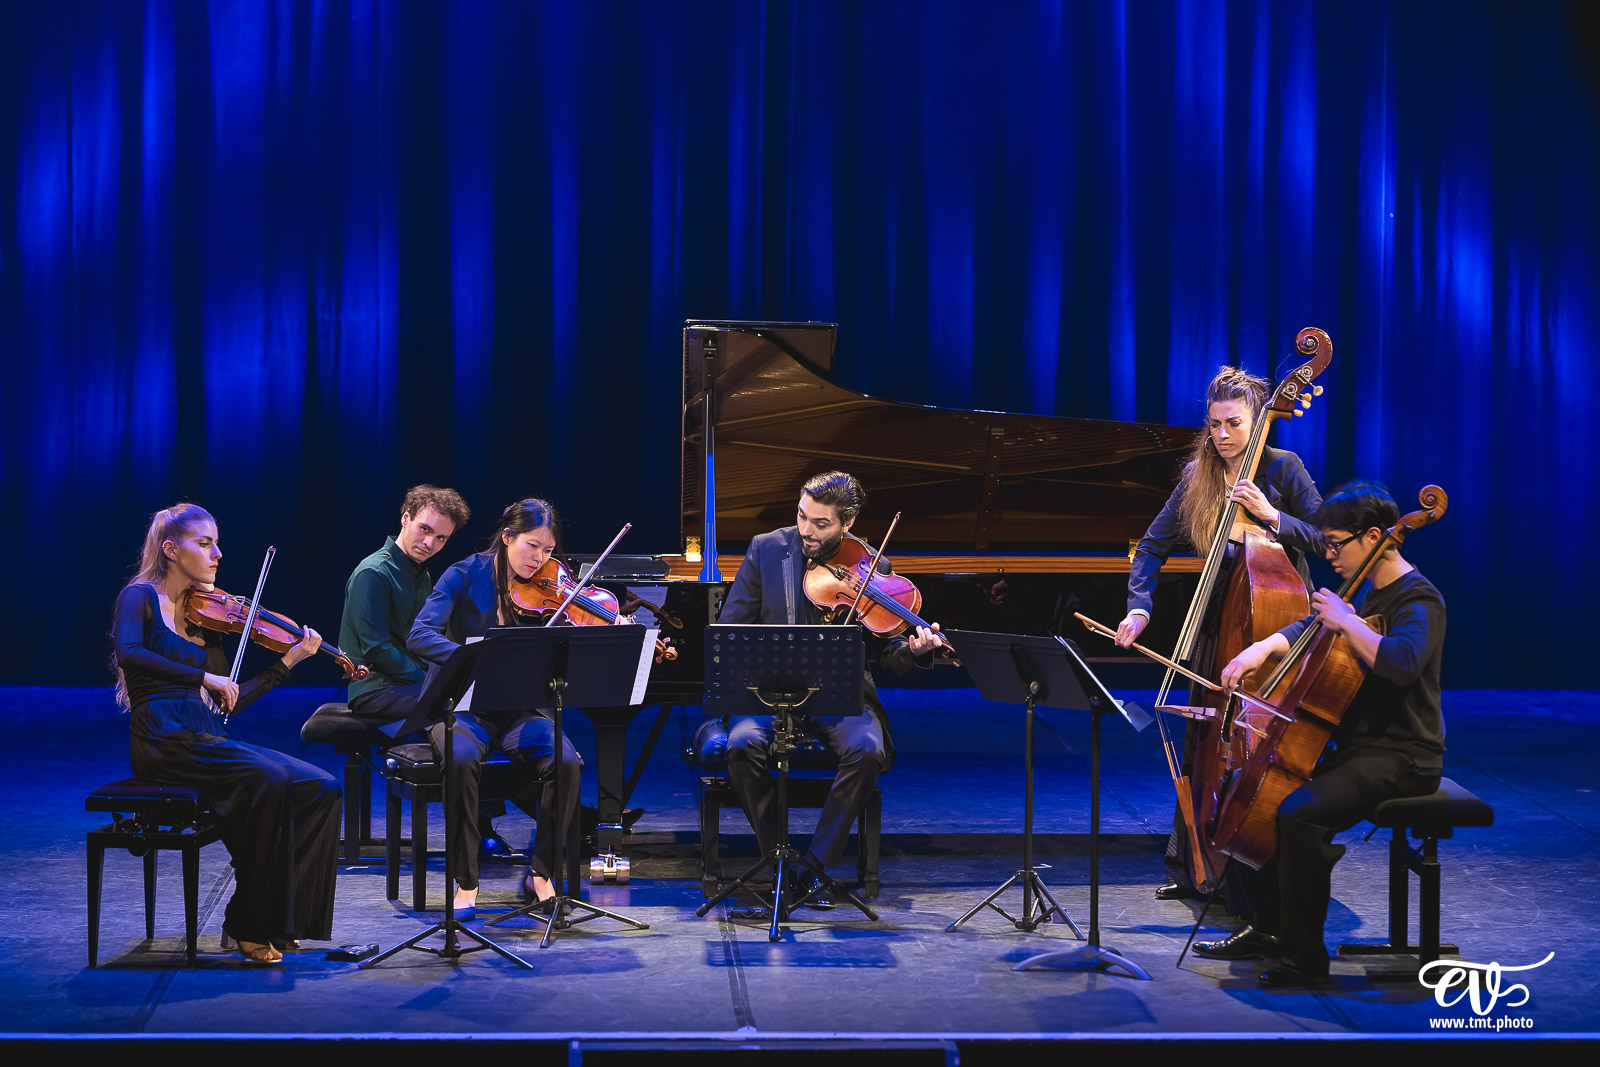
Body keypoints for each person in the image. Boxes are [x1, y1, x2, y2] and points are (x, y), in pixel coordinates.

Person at [1205, 481, 1446, 985]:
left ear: (1376, 536)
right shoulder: (1362, 590)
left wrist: (1347, 623)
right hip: (1357, 747)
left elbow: (1400, 663)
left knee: (1299, 815)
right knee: (1253, 793)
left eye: (1336, 543)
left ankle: (1304, 959)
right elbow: (1308, 627)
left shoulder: (1420, 599)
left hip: (1402, 754)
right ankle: (1268, 927)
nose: (1329, 554)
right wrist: (1263, 647)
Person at [1114, 366, 1324, 901]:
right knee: (1203, 741)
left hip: (1275, 628)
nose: (1223, 435)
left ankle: (1255, 875)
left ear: (1259, 422)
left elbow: (1326, 541)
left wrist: (1272, 515)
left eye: (1234, 423)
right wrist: (1139, 609)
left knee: (1256, 748)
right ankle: (1192, 866)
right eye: (1214, 424)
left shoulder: (1284, 468)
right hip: (1215, 622)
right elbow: (1152, 546)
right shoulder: (1198, 477)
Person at [111, 503, 341, 963]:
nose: (217, 553)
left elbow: (228, 698)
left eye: (216, 543)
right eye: (204, 543)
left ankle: (281, 917)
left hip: (205, 738)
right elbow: (128, 651)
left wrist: (287, 662)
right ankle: (246, 923)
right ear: (172, 550)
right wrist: (201, 678)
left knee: (321, 786)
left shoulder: (208, 620)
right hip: (161, 739)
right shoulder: (139, 598)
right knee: (270, 780)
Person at [719, 470, 944, 907]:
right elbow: (731, 629)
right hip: (768, 693)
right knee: (740, 745)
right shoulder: (766, 549)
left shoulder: (872, 566)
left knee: (868, 749)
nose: (806, 530)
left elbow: (889, 652)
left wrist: (915, 651)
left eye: (820, 524)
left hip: (839, 695)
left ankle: (813, 869)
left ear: (848, 524)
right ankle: (779, 861)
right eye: (802, 516)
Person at [406, 497, 582, 919]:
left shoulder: (550, 588)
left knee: (567, 761)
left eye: (548, 550)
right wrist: (470, 659)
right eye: (532, 545)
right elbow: (419, 633)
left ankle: (541, 873)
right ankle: (466, 882)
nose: (539, 559)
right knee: (463, 758)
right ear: (507, 537)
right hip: (462, 707)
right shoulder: (463, 575)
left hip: (519, 711)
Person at [340, 484, 470, 725]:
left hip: (404, 683)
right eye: (424, 529)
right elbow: (377, 649)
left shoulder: (420, 573)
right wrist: (427, 679)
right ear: (406, 518)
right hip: (374, 688)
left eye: (440, 538)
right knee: (457, 706)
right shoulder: (373, 572)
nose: (430, 543)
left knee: (475, 698)